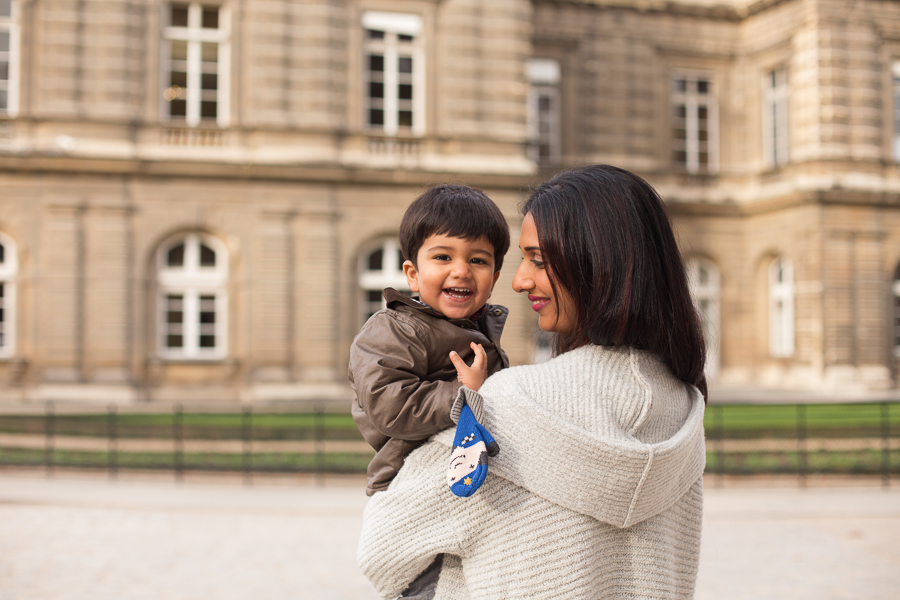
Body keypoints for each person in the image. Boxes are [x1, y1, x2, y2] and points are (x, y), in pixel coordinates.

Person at [358, 165, 708, 600]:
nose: (520, 281)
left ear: (600, 267)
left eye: (538, 261)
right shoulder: (685, 405)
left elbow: (382, 552)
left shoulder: (507, 403)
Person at [349, 184, 511, 497]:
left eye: (478, 261)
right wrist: (465, 392)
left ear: (494, 278)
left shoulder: (479, 328)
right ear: (412, 274)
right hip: (408, 480)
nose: (461, 271)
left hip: (464, 475)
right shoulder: (394, 329)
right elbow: (389, 405)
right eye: (443, 257)